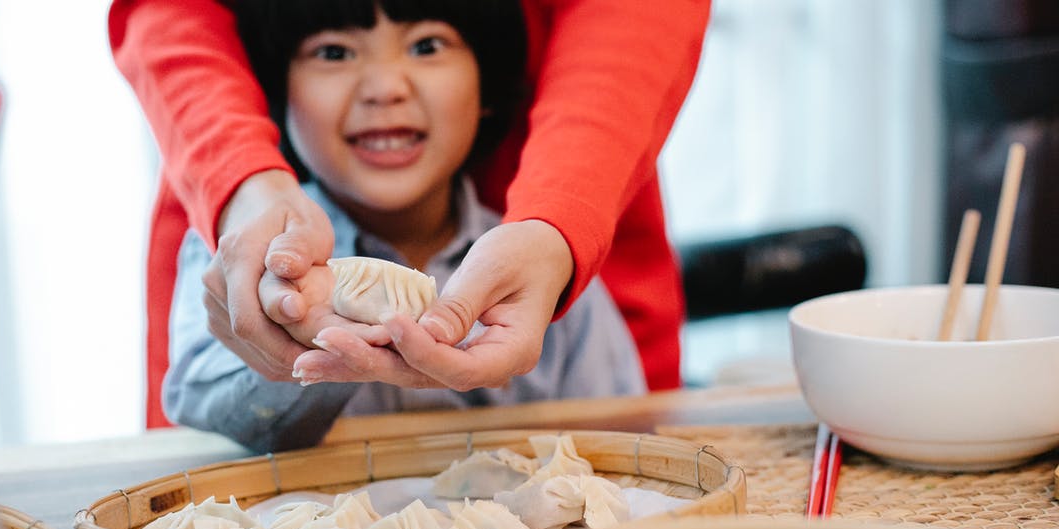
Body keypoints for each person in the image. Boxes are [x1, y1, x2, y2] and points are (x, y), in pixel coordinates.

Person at [107, 0, 712, 428]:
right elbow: (206, 415)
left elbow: (613, 444)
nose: (384, 86)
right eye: (335, 51)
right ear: (275, 94)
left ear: (492, 88)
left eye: (427, 46)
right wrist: (309, 356)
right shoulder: (252, 260)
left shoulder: (548, 281)